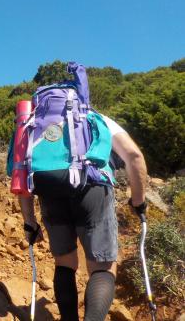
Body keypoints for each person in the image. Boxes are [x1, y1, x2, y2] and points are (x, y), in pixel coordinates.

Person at [19, 115, 148, 321]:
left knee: (64, 263)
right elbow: (134, 156)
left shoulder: (33, 121)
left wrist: (29, 220)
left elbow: (21, 172)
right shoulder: (93, 115)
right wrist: (138, 201)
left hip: (51, 191)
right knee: (103, 267)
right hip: (93, 187)